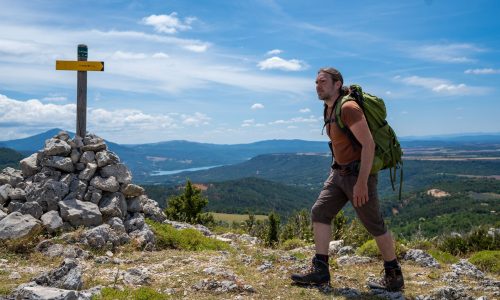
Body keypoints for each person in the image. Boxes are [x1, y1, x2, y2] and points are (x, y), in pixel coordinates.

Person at [290, 67, 404, 291]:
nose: (318, 85)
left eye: (323, 81)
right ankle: (321, 271)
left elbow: (368, 145)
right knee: (320, 212)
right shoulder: (329, 107)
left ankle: (394, 275)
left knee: (373, 223)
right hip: (339, 174)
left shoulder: (349, 108)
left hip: (358, 175)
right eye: (316, 82)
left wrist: (362, 182)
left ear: (337, 83)